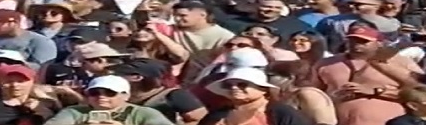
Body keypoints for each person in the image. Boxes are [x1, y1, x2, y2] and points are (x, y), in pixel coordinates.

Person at [43, 75, 174, 125]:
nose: (101, 96)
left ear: (125, 96)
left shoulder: (143, 113)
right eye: (94, 92)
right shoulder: (74, 112)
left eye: (110, 93)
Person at [199, 67, 311, 125]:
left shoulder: (280, 112)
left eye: (242, 84)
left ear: (263, 89)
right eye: (228, 85)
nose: (234, 88)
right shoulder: (218, 114)